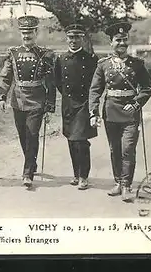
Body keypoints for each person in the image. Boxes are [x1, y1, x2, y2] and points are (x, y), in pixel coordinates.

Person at [88, 21, 151, 202]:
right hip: (111, 112)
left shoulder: (137, 64)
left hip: (130, 114)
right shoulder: (103, 65)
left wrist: (136, 103)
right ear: (111, 42)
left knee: (128, 149)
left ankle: (127, 185)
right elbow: (95, 90)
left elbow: (147, 88)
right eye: (118, 40)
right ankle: (118, 182)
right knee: (114, 149)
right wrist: (94, 112)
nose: (122, 44)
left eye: (124, 40)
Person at [0, 15, 56, 188]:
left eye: (30, 32)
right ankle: (32, 162)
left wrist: (50, 102)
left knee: (32, 134)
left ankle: (27, 172)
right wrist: (1, 96)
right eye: (24, 32)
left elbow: (51, 81)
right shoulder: (13, 53)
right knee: (23, 135)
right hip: (18, 100)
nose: (26, 36)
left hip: (37, 100)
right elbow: (5, 77)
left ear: (36, 32)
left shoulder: (45, 54)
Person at [54, 23, 98, 190]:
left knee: (80, 141)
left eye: (77, 37)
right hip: (68, 105)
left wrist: (92, 104)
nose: (73, 40)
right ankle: (76, 173)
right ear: (67, 39)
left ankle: (84, 176)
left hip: (84, 104)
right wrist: (66, 96)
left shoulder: (91, 59)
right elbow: (57, 81)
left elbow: (95, 83)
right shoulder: (61, 59)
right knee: (71, 140)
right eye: (71, 37)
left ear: (82, 39)